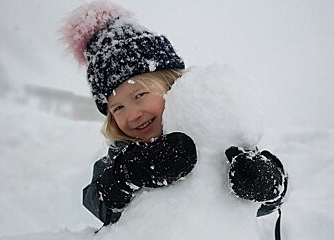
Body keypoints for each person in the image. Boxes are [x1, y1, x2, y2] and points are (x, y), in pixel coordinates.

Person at [61, 0, 288, 234]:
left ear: (170, 84)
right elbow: (97, 200)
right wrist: (129, 172)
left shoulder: (210, 132)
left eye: (139, 94)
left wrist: (265, 183)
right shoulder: (123, 154)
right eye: (118, 108)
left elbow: (265, 203)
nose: (132, 114)